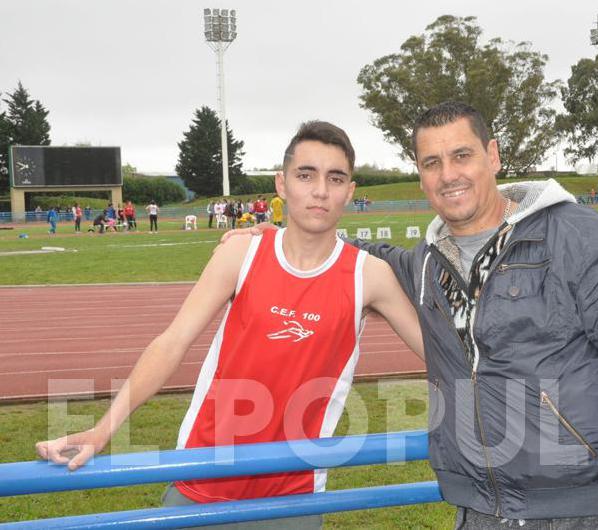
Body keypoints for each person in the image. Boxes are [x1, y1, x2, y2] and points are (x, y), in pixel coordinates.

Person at [227, 102, 598, 530]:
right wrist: (279, 238)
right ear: (421, 175)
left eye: (462, 156)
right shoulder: (427, 262)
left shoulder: (571, 234)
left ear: (493, 156)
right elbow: (364, 257)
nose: (449, 175)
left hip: (583, 511)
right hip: (479, 512)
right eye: (432, 163)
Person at [35, 121, 424, 530]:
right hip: (204, 475)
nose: (320, 190)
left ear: (350, 190)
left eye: (335, 178)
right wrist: (103, 429)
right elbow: (172, 342)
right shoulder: (241, 253)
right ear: (282, 183)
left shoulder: (370, 276)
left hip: (293, 493)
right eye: (306, 175)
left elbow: (440, 354)